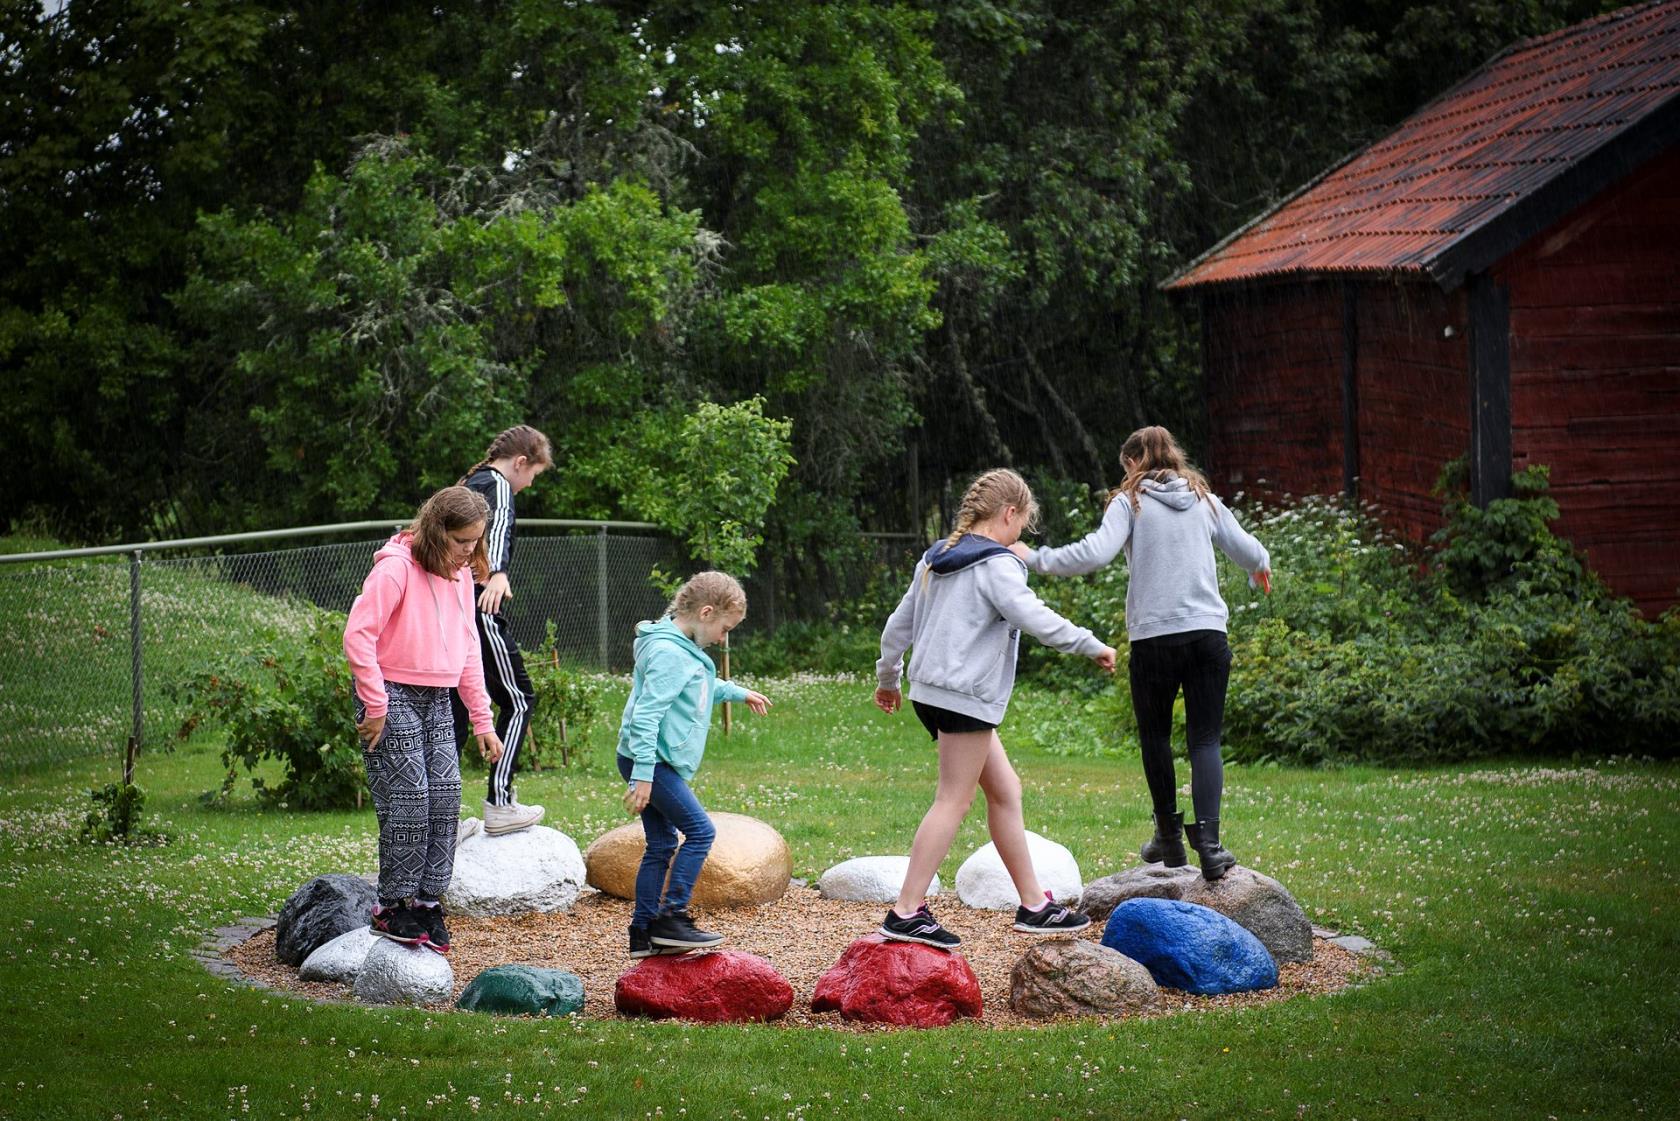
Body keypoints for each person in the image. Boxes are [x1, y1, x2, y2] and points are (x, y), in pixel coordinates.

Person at [1014, 425, 1271, 881]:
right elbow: (1250, 551)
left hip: (1155, 640)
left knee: (1155, 738)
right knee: (1205, 739)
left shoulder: (1128, 501)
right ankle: (1210, 846)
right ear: (1173, 457)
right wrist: (1258, 572)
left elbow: (1094, 553)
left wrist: (1035, 558)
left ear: (1133, 463)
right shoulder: (1203, 499)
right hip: (1208, 635)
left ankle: (1169, 837)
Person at [874, 468, 1117, 949]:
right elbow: (1034, 617)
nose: (1020, 534)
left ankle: (1034, 904)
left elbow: (897, 626)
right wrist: (1091, 645)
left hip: (932, 691)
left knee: (1005, 789)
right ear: (1009, 513)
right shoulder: (995, 564)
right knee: (953, 799)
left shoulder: (936, 558)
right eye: (1022, 524)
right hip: (964, 698)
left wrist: (888, 677)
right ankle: (905, 911)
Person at [345, 486, 506, 953]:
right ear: (437, 534)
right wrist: (375, 705)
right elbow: (359, 636)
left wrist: (482, 720)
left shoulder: (461, 576)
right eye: (461, 542)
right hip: (390, 694)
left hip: (437, 697)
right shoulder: (396, 568)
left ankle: (427, 903)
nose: (469, 552)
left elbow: (468, 648)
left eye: (476, 541)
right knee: (411, 797)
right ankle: (393, 905)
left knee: (447, 796)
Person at [616, 571, 771, 958]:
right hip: (652, 760)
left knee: (662, 843)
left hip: (648, 758)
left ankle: (644, 932)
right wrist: (643, 776)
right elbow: (647, 715)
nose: (724, 639)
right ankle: (673, 917)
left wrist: (736, 692)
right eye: (724, 629)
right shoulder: (669, 653)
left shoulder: (679, 647)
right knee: (700, 832)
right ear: (705, 613)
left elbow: (697, 686)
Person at [452, 425, 553, 836]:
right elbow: (493, 534)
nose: (529, 484)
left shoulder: (471, 481)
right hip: (481, 610)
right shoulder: (497, 484)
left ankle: (443, 819)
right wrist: (496, 573)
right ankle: (500, 802)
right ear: (521, 462)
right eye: (534, 475)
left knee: (455, 712)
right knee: (519, 698)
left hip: (455, 613)